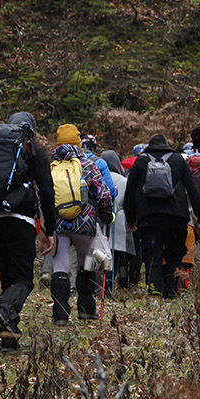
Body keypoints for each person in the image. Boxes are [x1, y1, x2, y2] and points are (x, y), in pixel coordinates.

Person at [0, 111, 56, 350]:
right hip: (21, 219)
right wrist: (50, 230)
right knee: (24, 279)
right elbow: (46, 191)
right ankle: (4, 311)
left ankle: (9, 335)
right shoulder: (33, 152)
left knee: (9, 278)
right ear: (31, 132)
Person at [123, 133, 200, 300]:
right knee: (175, 254)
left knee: (152, 255)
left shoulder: (141, 161)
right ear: (166, 144)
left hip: (149, 217)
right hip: (176, 216)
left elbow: (130, 192)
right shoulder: (178, 160)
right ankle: (170, 291)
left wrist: (130, 218)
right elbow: (192, 189)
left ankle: (154, 293)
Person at [46, 124, 115, 323]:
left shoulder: (51, 165)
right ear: (78, 143)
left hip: (59, 222)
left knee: (60, 266)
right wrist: (106, 215)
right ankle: (85, 309)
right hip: (84, 222)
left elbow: (42, 196)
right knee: (87, 265)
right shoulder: (87, 164)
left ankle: (60, 313)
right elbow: (103, 194)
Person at [98, 149, 132, 297]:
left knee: (101, 253)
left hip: (101, 218)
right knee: (115, 253)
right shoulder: (124, 180)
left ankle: (101, 286)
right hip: (119, 218)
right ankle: (111, 285)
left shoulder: (97, 177)